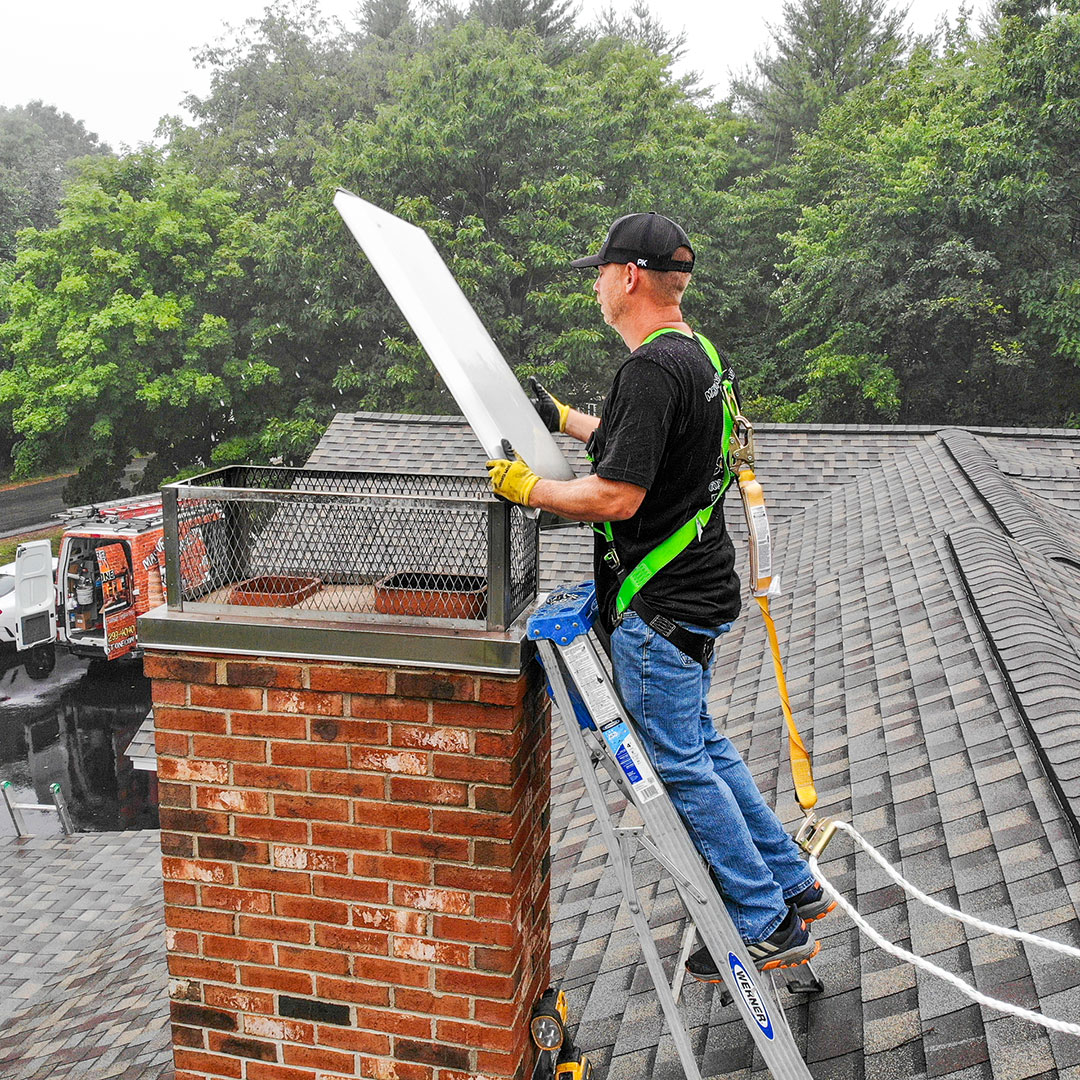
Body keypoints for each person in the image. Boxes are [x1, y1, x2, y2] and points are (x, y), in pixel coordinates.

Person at [486, 212, 834, 976]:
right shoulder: (696, 354)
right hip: (700, 594)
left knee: (680, 765)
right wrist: (568, 421)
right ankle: (793, 885)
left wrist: (531, 488)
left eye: (602, 271)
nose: (598, 284)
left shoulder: (648, 368)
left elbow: (617, 496)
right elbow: (650, 437)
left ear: (631, 276)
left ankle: (765, 921)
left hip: (659, 610)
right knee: (704, 748)